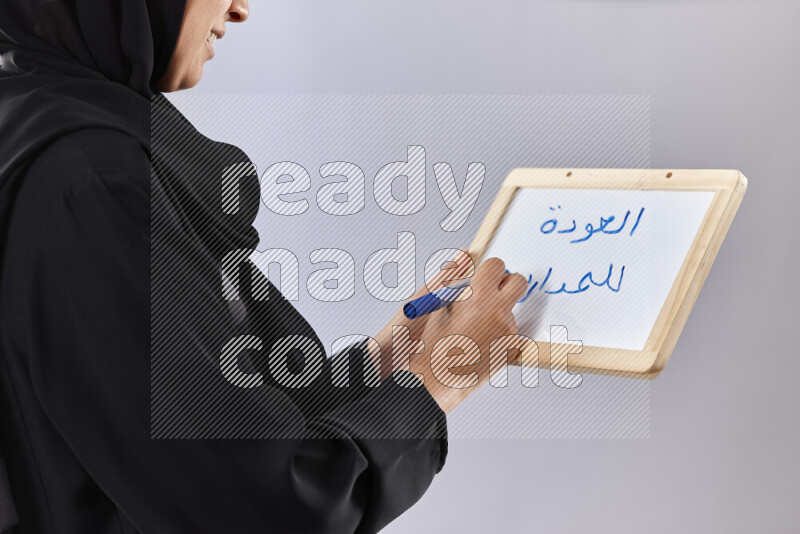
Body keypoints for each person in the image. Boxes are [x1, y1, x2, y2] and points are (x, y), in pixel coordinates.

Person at [0, 1, 527, 532]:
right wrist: (438, 379)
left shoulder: (39, 119)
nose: (239, 8)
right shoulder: (91, 186)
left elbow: (219, 407)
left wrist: (384, 359)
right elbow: (255, 507)